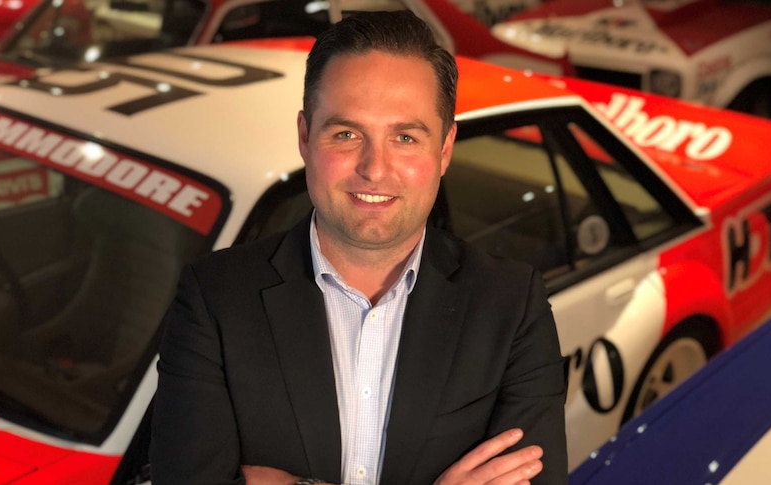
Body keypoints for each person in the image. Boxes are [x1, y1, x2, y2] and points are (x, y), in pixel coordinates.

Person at [149, 10, 567, 485]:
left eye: (405, 137)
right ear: (306, 137)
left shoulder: (513, 304)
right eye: (346, 134)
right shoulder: (214, 298)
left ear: (446, 149)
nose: (374, 168)